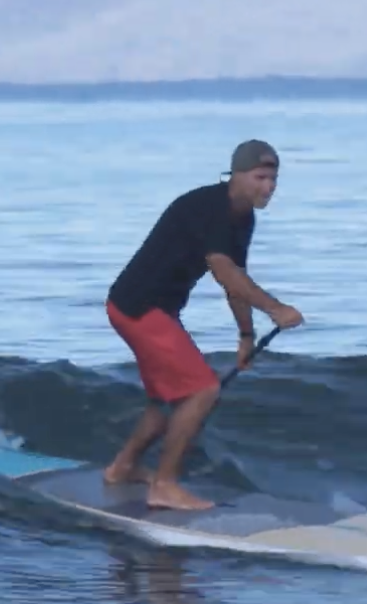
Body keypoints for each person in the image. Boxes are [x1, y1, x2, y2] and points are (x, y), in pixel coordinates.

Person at [101, 139, 303, 510]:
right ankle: (164, 485)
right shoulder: (211, 208)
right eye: (260, 177)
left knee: (164, 399)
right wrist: (275, 309)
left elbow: (235, 279)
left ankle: (123, 468)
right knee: (201, 390)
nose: (269, 187)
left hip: (143, 306)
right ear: (237, 175)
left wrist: (246, 335)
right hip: (140, 307)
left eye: (274, 179)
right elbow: (224, 272)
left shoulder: (243, 217)